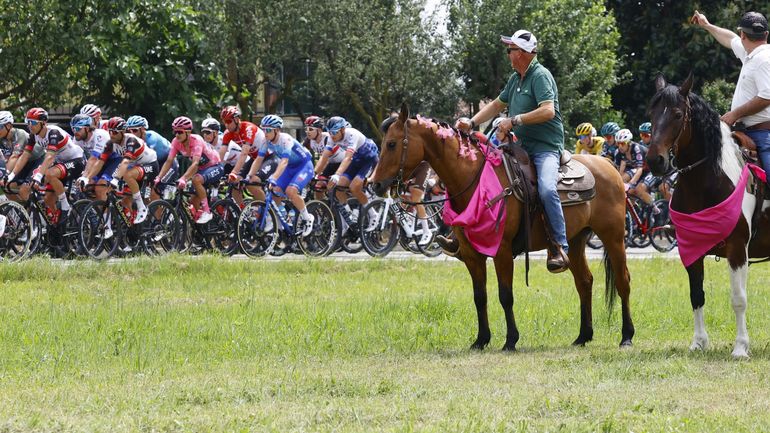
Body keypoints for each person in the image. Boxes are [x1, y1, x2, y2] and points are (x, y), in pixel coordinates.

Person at [456, 29, 569, 272]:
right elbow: (497, 104)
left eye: (511, 49)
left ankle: (559, 245)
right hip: (520, 147)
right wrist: (472, 123)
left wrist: (514, 121)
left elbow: (548, 110)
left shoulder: (540, 76)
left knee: (548, 189)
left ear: (525, 53)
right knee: (482, 177)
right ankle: (464, 236)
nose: (508, 53)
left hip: (545, 149)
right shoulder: (515, 78)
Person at [692, 10, 770, 181]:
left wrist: (735, 114)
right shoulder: (751, 54)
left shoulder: (763, 59)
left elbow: (766, 97)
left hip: (764, 136)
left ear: (743, 34)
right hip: (743, 133)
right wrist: (707, 25)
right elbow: (729, 39)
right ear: (766, 34)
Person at [253, 115, 315, 236]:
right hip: (290, 167)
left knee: (290, 191)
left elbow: (284, 161)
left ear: (277, 130)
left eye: (268, 130)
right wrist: (250, 176)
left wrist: (274, 177)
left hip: (304, 165)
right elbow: (258, 159)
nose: (265, 133)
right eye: (263, 129)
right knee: (275, 191)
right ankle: (284, 223)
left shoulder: (285, 139)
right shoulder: (266, 141)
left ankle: (307, 218)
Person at [156, 116, 223, 224]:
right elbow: (169, 161)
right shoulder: (176, 141)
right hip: (201, 169)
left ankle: (207, 212)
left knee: (196, 180)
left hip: (214, 166)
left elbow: (195, 163)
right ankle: (199, 228)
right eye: (175, 132)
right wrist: (159, 177)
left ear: (188, 132)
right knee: (192, 200)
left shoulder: (196, 140)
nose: (177, 134)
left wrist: (184, 178)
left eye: (180, 132)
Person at [27, 108, 85, 225]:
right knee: (48, 199)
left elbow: (49, 157)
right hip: (61, 163)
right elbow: (25, 155)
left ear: (43, 123)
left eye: (33, 122)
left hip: (76, 160)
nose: (29, 125)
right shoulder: (34, 136)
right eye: (27, 121)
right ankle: (58, 225)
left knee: (49, 174)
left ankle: (65, 206)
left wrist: (39, 175)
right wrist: (12, 174)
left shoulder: (53, 132)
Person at [325, 116, 380, 231]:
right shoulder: (332, 137)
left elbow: (347, 158)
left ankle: (373, 215)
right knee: (338, 187)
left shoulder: (352, 134)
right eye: (329, 132)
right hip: (356, 161)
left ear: (342, 130)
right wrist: (315, 173)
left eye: (334, 132)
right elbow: (324, 156)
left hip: (368, 159)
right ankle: (350, 217)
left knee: (354, 187)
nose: (332, 135)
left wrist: (337, 174)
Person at [104, 117, 158, 225]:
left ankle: (141, 207)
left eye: (115, 132)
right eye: (109, 131)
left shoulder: (131, 141)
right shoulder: (111, 143)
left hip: (150, 164)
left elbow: (125, 162)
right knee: (122, 196)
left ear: (123, 132)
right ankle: (130, 223)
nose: (111, 134)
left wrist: (116, 179)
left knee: (128, 175)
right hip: (136, 165)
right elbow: (100, 160)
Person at [220, 106, 274, 206]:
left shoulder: (248, 129)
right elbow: (222, 152)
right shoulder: (228, 133)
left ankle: (267, 214)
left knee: (252, 182)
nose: (226, 125)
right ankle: (242, 213)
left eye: (228, 121)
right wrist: (217, 168)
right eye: (224, 122)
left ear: (236, 119)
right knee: (234, 182)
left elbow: (244, 154)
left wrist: (234, 172)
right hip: (255, 159)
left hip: (269, 157)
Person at [72, 114, 119, 204]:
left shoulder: (100, 135)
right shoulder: (77, 139)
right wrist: (83, 176)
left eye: (77, 129)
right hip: (100, 162)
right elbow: (76, 156)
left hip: (115, 160)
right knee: (87, 186)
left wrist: (85, 177)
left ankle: (106, 217)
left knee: (99, 188)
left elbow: (93, 159)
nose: (75, 131)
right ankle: (95, 210)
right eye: (73, 128)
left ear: (87, 128)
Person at [0, 111, 39, 202]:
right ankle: (20, 212)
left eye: (0, 127)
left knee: (23, 190)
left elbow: (14, 157)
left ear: (8, 126)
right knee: (7, 187)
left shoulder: (19, 134)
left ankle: (32, 213)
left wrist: (6, 174)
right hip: (23, 164)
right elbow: (5, 159)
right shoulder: (2, 139)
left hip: (38, 160)